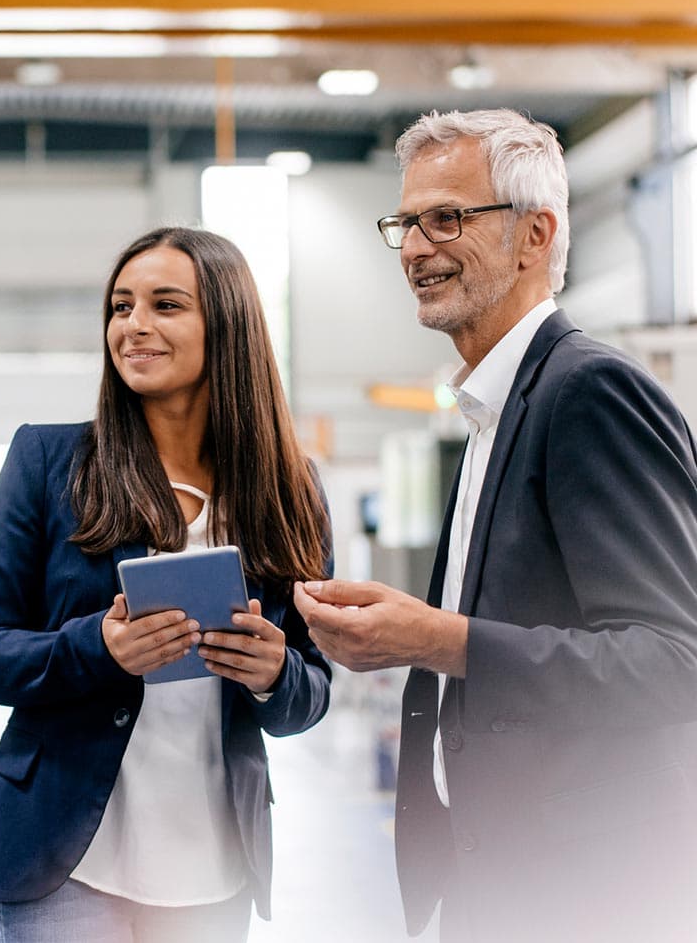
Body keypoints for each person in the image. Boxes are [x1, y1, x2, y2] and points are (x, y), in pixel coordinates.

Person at [295, 109, 697, 943]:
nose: (413, 247)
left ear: (533, 236)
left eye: (446, 218)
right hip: (497, 880)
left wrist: (438, 639)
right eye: (404, 223)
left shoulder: (586, 393)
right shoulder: (494, 409)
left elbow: (675, 659)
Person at [0, 226, 332, 943]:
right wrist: (99, 647)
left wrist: (275, 673)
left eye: (165, 305)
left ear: (227, 323)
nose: (134, 326)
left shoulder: (290, 490)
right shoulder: (48, 461)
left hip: (214, 872)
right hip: (64, 866)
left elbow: (310, 693)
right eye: (121, 307)